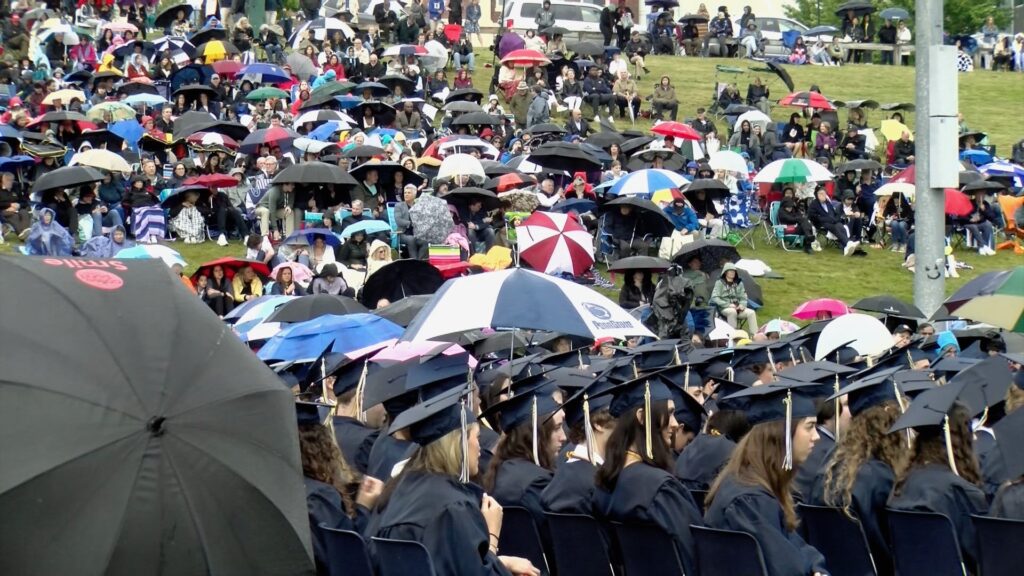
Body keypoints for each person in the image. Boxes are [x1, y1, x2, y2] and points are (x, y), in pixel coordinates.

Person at [366, 387, 539, 576]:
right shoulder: (454, 507)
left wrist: (500, 562)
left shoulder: (397, 489)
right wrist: (493, 539)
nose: (480, 448)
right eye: (477, 438)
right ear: (460, 443)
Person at [705, 384, 828, 576]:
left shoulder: (746, 483)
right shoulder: (751, 501)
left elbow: (795, 546)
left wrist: (816, 568)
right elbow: (786, 569)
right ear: (781, 434)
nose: (816, 437)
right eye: (810, 427)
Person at [593, 378, 705, 576]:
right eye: (669, 414)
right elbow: (695, 555)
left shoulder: (606, 480)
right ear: (643, 417)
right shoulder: (659, 488)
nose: (676, 424)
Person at [888, 402, 988, 569]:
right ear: (956, 438)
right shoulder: (960, 491)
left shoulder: (901, 485)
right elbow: (981, 560)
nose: (975, 437)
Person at [295, 402, 383, 575]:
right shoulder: (317, 496)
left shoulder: (280, 489)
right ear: (320, 444)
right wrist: (364, 508)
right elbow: (349, 558)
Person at [482, 380, 565, 550]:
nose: (563, 436)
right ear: (535, 435)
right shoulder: (537, 483)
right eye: (557, 428)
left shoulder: (498, 471)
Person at [809, 186, 861, 256]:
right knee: (835, 226)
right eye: (820, 194)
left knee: (839, 225)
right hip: (821, 223)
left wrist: (836, 219)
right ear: (816, 195)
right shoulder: (814, 204)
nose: (823, 195)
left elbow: (834, 214)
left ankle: (846, 246)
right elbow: (812, 216)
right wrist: (828, 219)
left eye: (824, 194)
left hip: (832, 222)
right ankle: (848, 243)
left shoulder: (828, 203)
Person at [710, 263, 758, 332]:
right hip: (725, 308)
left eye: (734, 271)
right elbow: (714, 297)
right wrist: (728, 305)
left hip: (738, 308)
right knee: (732, 312)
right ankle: (733, 335)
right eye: (730, 271)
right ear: (726, 272)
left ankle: (755, 335)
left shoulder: (739, 283)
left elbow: (743, 297)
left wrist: (742, 305)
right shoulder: (719, 283)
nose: (733, 273)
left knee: (751, 312)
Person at [963, 189, 998, 255]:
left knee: (987, 224)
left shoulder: (985, 204)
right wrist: (970, 219)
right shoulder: (969, 203)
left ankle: (983, 247)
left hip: (980, 224)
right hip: (968, 223)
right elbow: (961, 216)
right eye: (980, 194)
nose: (981, 196)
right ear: (975, 195)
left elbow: (992, 217)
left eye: (983, 194)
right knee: (973, 226)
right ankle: (983, 246)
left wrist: (984, 210)